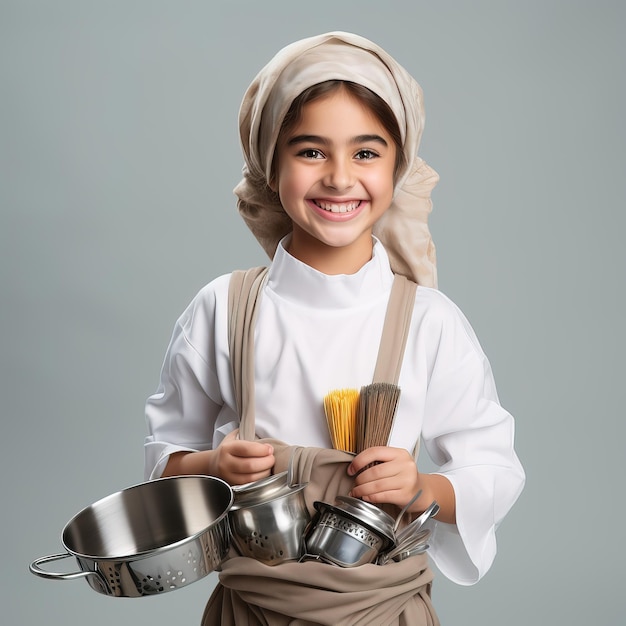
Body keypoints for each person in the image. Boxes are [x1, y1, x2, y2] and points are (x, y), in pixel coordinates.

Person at [144, 31, 525, 625]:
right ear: (270, 162)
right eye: (311, 151)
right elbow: (162, 463)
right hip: (252, 611)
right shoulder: (224, 308)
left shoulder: (429, 321)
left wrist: (422, 487)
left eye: (367, 153)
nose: (341, 178)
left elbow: (493, 469)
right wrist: (212, 467)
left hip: (382, 611)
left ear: (399, 165)